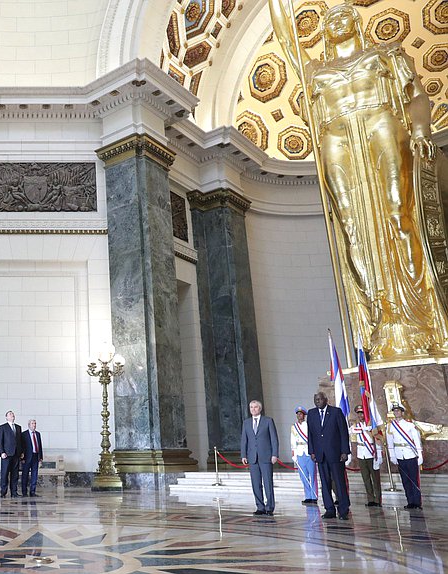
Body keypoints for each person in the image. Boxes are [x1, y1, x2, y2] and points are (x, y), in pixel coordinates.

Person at [268, 0, 448, 361]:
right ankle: (381, 315)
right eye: (329, 18)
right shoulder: (315, 69)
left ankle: (419, 317)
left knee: (399, 214)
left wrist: (420, 132)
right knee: (352, 228)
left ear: (355, 21)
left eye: (342, 14)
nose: (335, 19)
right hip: (336, 137)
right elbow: (287, 36)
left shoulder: (385, 53)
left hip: (381, 124)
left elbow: (415, 97)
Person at [307, 391, 351, 520]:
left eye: (320, 399)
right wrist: (312, 451)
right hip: (320, 454)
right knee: (325, 483)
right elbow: (311, 434)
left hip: (336, 453)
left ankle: (343, 510)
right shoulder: (311, 413)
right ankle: (329, 509)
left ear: (325, 399)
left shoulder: (336, 412)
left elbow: (343, 433)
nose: (317, 402)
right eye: (315, 400)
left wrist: (344, 451)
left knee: (339, 482)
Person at [240, 400, 279, 516]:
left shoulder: (268, 421)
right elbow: (244, 440)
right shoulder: (246, 423)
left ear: (260, 408)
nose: (253, 409)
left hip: (266, 456)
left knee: (268, 483)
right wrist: (243, 455)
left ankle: (270, 507)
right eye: (251, 407)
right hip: (252, 457)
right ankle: (260, 507)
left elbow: (274, 439)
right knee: (255, 483)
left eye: (255, 407)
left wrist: (275, 454)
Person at [387, 404, 424, 510]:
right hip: (399, 455)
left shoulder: (410, 425)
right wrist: (392, 455)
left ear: (402, 412)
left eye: (398, 411)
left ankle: (417, 502)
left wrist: (420, 454)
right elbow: (390, 442)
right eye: (395, 411)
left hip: (410, 455)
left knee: (414, 480)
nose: (396, 413)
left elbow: (417, 440)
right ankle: (410, 502)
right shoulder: (390, 426)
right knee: (405, 480)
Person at [349, 405, 382, 508]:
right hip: (361, 454)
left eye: (362, 413)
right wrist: (362, 429)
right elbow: (351, 431)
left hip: (371, 453)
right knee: (366, 478)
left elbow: (378, 439)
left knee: (375, 478)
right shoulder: (356, 426)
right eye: (358, 413)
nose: (360, 415)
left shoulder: (372, 425)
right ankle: (370, 498)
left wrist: (379, 453)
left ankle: (378, 499)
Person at [290, 405, 317, 505]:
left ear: (304, 415)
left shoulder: (309, 425)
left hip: (309, 452)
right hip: (300, 452)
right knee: (303, 476)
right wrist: (294, 453)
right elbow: (293, 440)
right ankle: (308, 496)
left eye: (301, 414)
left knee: (312, 474)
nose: (299, 416)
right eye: (298, 414)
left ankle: (314, 495)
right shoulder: (294, 427)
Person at [0, 410, 22, 498]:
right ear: (6, 417)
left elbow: (20, 441)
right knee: (4, 474)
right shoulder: (2, 427)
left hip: (16, 454)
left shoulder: (18, 427)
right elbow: (0, 441)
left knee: (15, 474)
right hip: (6, 454)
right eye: (10, 414)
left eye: (13, 414)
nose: (12, 415)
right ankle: (3, 492)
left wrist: (21, 452)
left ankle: (14, 492)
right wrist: (2, 452)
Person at [21, 419, 43, 497]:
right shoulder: (24, 434)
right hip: (27, 458)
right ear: (29, 425)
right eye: (32, 423)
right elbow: (22, 447)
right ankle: (24, 492)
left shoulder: (38, 434)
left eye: (35, 423)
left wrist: (40, 457)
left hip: (35, 456)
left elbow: (40, 446)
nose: (34, 425)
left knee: (34, 475)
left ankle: (32, 492)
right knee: (25, 475)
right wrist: (22, 458)